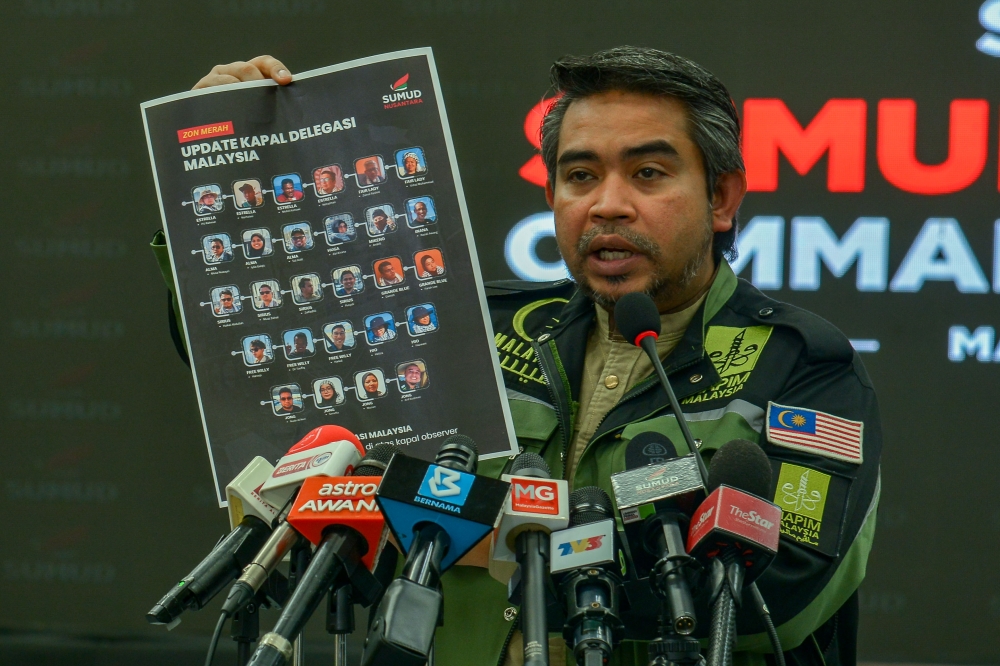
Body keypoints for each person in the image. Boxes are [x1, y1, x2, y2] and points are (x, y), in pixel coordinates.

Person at [157, 48, 881, 666]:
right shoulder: (476, 331)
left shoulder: (804, 368)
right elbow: (281, 368)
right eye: (580, 176)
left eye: (648, 174)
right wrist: (217, 185)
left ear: (721, 197)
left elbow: (781, 594)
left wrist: (507, 545)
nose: (608, 205)